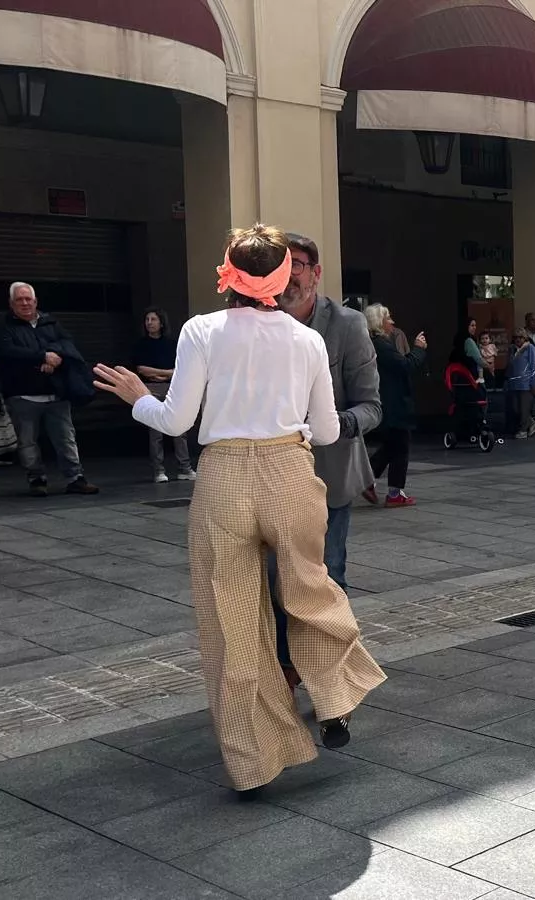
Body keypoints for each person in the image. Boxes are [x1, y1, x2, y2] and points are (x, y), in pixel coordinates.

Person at [91, 224, 385, 797]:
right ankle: (335, 697)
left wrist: (138, 399)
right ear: (281, 277)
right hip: (288, 470)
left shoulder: (201, 330)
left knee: (232, 619)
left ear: (226, 272)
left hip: (223, 476)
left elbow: (176, 421)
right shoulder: (308, 342)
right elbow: (327, 429)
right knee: (311, 590)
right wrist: (289, 428)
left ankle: (253, 761)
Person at [267, 232, 381, 688]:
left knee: (326, 577)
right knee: (275, 584)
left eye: (297, 265)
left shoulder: (347, 325)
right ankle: (286, 669)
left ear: (315, 273)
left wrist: (328, 426)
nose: (289, 275)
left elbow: (371, 406)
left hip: (328, 475)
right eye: (281, 265)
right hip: (270, 477)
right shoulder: (258, 320)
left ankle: (333, 676)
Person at [0, 282, 99, 497]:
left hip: (56, 393)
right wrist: (42, 357)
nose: (25, 303)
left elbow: (67, 345)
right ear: (11, 304)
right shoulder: (4, 328)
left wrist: (52, 356)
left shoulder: (51, 322)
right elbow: (7, 352)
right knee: (27, 442)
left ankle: (75, 478)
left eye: (28, 298)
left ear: (36, 301)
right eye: (19, 299)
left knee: (66, 438)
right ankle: (36, 479)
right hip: (22, 395)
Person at [363, 303, 425, 507]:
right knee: (401, 446)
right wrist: (419, 349)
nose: (392, 323)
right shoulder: (381, 345)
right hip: (394, 404)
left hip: (388, 403)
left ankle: (367, 480)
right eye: (388, 318)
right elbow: (405, 366)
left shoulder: (376, 344)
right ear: (380, 323)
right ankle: (394, 492)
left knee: (392, 446)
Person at [132, 307, 196, 484]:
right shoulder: (141, 344)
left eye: (153, 319)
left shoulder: (172, 344)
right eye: (147, 320)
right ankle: (158, 470)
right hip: (151, 387)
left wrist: (163, 374)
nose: (149, 323)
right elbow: (141, 369)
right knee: (156, 432)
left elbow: (179, 368)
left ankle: (185, 468)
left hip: (171, 387)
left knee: (180, 429)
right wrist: (165, 373)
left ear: (161, 323)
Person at [506, 327, 535, 439]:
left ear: (525, 338)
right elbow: (510, 366)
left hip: (526, 384)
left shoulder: (530, 348)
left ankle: (523, 430)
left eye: (520, 337)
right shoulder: (512, 349)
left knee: (524, 409)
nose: (518, 340)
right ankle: (532, 423)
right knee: (516, 409)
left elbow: (534, 366)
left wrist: (534, 384)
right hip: (514, 384)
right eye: (515, 337)